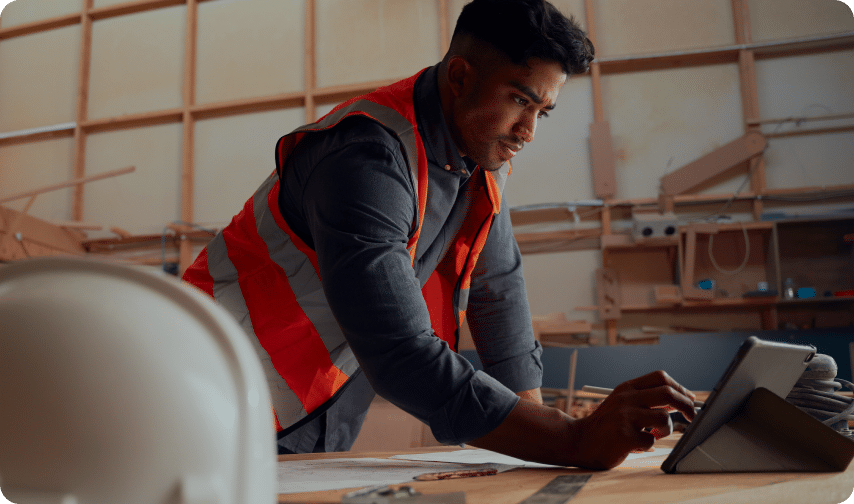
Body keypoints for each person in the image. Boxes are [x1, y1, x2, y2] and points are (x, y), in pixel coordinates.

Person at [183, 0, 696, 470]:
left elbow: (498, 290)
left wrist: (541, 432)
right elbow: (400, 352)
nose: (529, 131)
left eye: (543, 111)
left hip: (314, 395)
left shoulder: (479, 156)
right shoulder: (365, 159)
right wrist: (570, 440)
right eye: (520, 100)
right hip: (203, 383)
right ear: (460, 75)